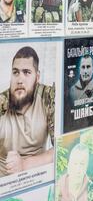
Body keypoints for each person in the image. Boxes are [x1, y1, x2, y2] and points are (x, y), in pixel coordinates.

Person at [0, 47, 56, 175]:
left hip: (37, 179)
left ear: (37, 77)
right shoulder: (2, 102)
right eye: (15, 72)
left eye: (26, 72)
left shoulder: (47, 97)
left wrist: (25, 165)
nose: (20, 80)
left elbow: (64, 147)